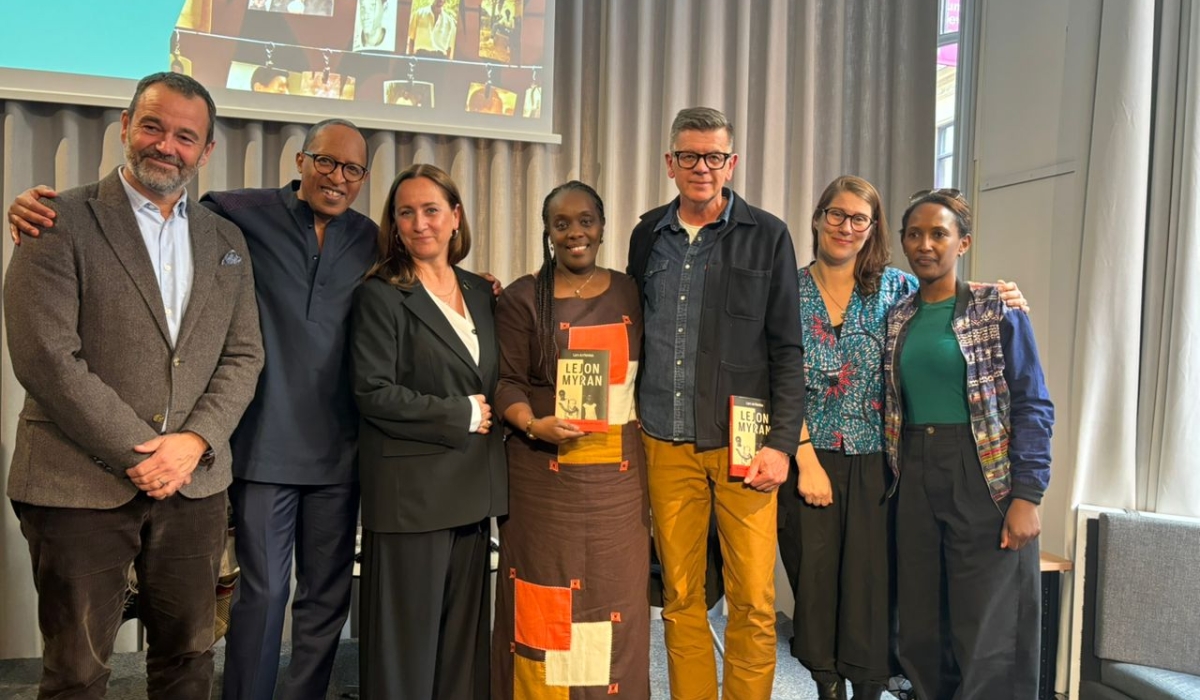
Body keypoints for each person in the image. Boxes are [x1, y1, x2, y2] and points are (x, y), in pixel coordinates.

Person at [7, 119, 378, 700]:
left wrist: (479, 283)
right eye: (325, 162)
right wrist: (28, 204)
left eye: (353, 169)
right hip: (259, 443)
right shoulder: (237, 213)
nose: (337, 177)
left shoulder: (372, 238)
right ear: (301, 161)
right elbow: (150, 202)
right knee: (260, 593)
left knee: (322, 595)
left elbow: (426, 268)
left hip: (337, 445)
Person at [3, 72, 264, 700]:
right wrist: (139, 454)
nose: (165, 145)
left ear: (205, 152)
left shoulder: (226, 240)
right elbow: (46, 358)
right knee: (78, 672)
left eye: (185, 136)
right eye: (152, 126)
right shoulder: (56, 220)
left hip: (195, 486)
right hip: (77, 484)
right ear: (124, 126)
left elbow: (243, 355)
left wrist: (194, 442)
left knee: (189, 660)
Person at [776, 176, 1027, 700]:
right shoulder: (787, 289)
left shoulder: (898, 289)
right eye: (836, 214)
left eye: (859, 219)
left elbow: (953, 309)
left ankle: (869, 685)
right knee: (815, 581)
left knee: (873, 586)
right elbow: (778, 374)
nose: (846, 227)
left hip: (881, 460)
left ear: (872, 228)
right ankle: (825, 683)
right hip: (810, 456)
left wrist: (1003, 295)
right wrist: (803, 457)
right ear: (818, 217)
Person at [627, 106, 806, 699]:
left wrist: (782, 446)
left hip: (745, 447)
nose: (701, 167)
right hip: (664, 438)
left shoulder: (770, 235)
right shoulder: (647, 233)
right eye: (688, 156)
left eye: (713, 157)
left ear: (731, 163)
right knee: (680, 598)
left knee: (754, 600)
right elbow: (632, 328)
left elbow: (788, 349)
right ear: (670, 163)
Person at [883, 189, 1053, 700]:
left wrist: (1028, 494)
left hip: (981, 472)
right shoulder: (899, 316)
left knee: (987, 622)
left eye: (939, 233)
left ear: (963, 243)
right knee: (921, 620)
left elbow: (1033, 402)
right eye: (915, 234)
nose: (925, 244)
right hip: (912, 472)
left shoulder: (996, 308)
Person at [350, 163, 506, 700]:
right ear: (393, 225)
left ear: (455, 217)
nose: (420, 224)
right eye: (406, 213)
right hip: (411, 498)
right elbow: (371, 391)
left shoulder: (481, 290)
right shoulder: (380, 293)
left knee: (462, 652)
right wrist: (459, 413)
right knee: (405, 653)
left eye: (432, 210)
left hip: (470, 490)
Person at [491, 181, 650, 699]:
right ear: (548, 231)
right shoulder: (521, 298)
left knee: (616, 606)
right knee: (542, 603)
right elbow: (506, 382)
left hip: (618, 488)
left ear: (602, 227)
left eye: (585, 221)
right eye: (562, 224)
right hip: (544, 482)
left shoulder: (632, 291)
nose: (575, 233)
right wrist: (534, 424)